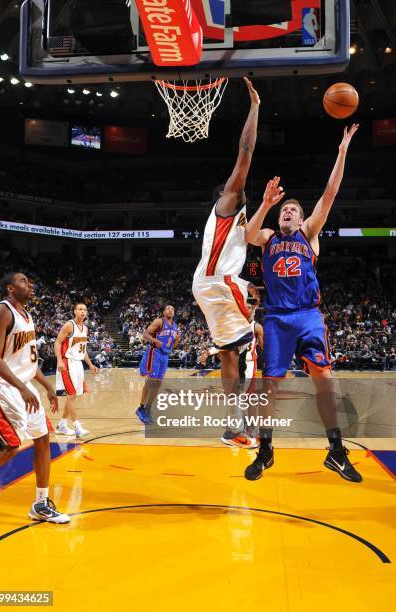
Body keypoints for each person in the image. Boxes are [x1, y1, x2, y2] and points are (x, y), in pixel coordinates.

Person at [245, 124, 362, 483]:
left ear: (301, 217)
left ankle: (336, 451)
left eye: (294, 210)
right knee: (271, 387)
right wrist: (266, 203)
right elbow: (248, 233)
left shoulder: (309, 235)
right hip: (277, 319)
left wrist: (342, 152)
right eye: (287, 209)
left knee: (324, 380)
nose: (289, 212)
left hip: (308, 316)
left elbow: (329, 193)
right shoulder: (267, 238)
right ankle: (265, 451)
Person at [192, 77, 261, 444]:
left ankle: (234, 426)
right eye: (235, 185)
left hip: (209, 284)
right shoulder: (227, 204)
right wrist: (255, 107)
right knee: (257, 334)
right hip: (219, 282)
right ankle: (245, 418)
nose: (240, 186)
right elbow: (246, 152)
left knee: (229, 355)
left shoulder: (238, 221)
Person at [0, 272, 70, 523]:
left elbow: (27, 361)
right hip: (2, 385)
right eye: (24, 281)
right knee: (11, 446)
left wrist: (46, 386)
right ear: (10, 289)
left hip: (23, 385)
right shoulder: (2, 312)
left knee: (43, 438)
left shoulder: (27, 315)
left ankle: (41, 503)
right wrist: (22, 388)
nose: (30, 285)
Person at [200, 302, 263, 448]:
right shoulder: (235, 325)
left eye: (249, 307)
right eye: (244, 306)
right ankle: (236, 430)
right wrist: (208, 352)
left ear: (253, 310)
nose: (247, 308)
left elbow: (264, 346)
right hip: (236, 364)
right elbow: (222, 345)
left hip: (250, 364)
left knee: (248, 398)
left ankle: (248, 428)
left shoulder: (256, 327)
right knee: (236, 397)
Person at [54, 303, 98, 437]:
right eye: (80, 309)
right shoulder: (69, 325)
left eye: (85, 309)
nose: (83, 311)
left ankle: (62, 425)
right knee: (71, 396)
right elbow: (57, 342)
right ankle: (77, 427)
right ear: (74, 312)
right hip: (67, 362)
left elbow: (82, 349)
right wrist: (59, 360)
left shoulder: (85, 328)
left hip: (78, 363)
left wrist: (90, 364)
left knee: (74, 396)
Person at [136, 305, 180, 424]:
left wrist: (176, 340)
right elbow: (145, 334)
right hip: (154, 353)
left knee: (158, 383)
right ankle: (141, 408)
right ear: (164, 312)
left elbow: (173, 345)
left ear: (174, 313)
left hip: (165, 356)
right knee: (151, 381)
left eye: (172, 309)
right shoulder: (159, 321)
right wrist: (155, 340)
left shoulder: (175, 326)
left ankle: (148, 408)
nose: (170, 310)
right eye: (168, 309)